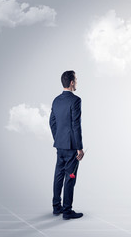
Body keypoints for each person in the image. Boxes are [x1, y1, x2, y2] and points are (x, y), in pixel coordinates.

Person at [49, 70, 84, 220]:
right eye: (75, 79)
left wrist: (58, 138)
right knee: (70, 176)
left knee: (58, 175)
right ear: (71, 82)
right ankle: (67, 211)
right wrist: (79, 148)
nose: (76, 82)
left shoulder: (56, 100)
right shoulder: (75, 100)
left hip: (60, 145)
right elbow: (76, 125)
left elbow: (52, 122)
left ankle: (57, 207)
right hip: (71, 146)